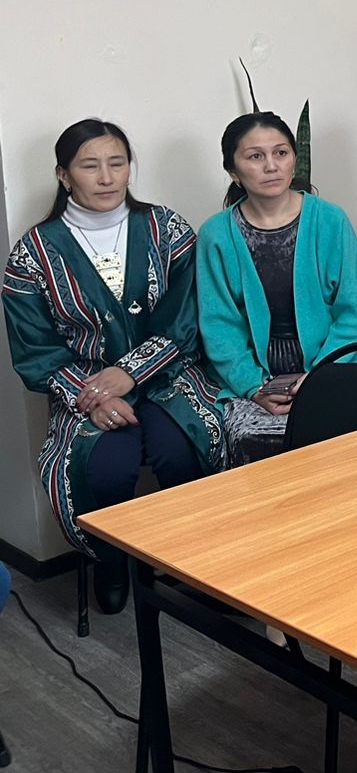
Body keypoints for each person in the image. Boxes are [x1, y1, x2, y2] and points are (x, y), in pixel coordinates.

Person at [2, 120, 224, 614]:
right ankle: (110, 561)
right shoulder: (32, 254)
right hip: (85, 390)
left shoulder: (167, 229)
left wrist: (131, 373)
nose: (106, 177)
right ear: (64, 175)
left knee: (184, 448)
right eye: (89, 165)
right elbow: (34, 348)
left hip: (168, 376)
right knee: (103, 469)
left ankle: (196, 560)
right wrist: (96, 397)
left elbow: (189, 315)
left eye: (117, 163)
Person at [197, 112, 357, 464]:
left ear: (294, 159)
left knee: (345, 443)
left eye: (281, 153)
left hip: (334, 366)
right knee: (254, 443)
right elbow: (219, 326)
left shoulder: (330, 220)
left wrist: (319, 376)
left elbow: (352, 312)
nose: (271, 166)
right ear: (233, 171)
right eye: (255, 156)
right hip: (253, 381)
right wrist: (255, 386)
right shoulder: (216, 234)